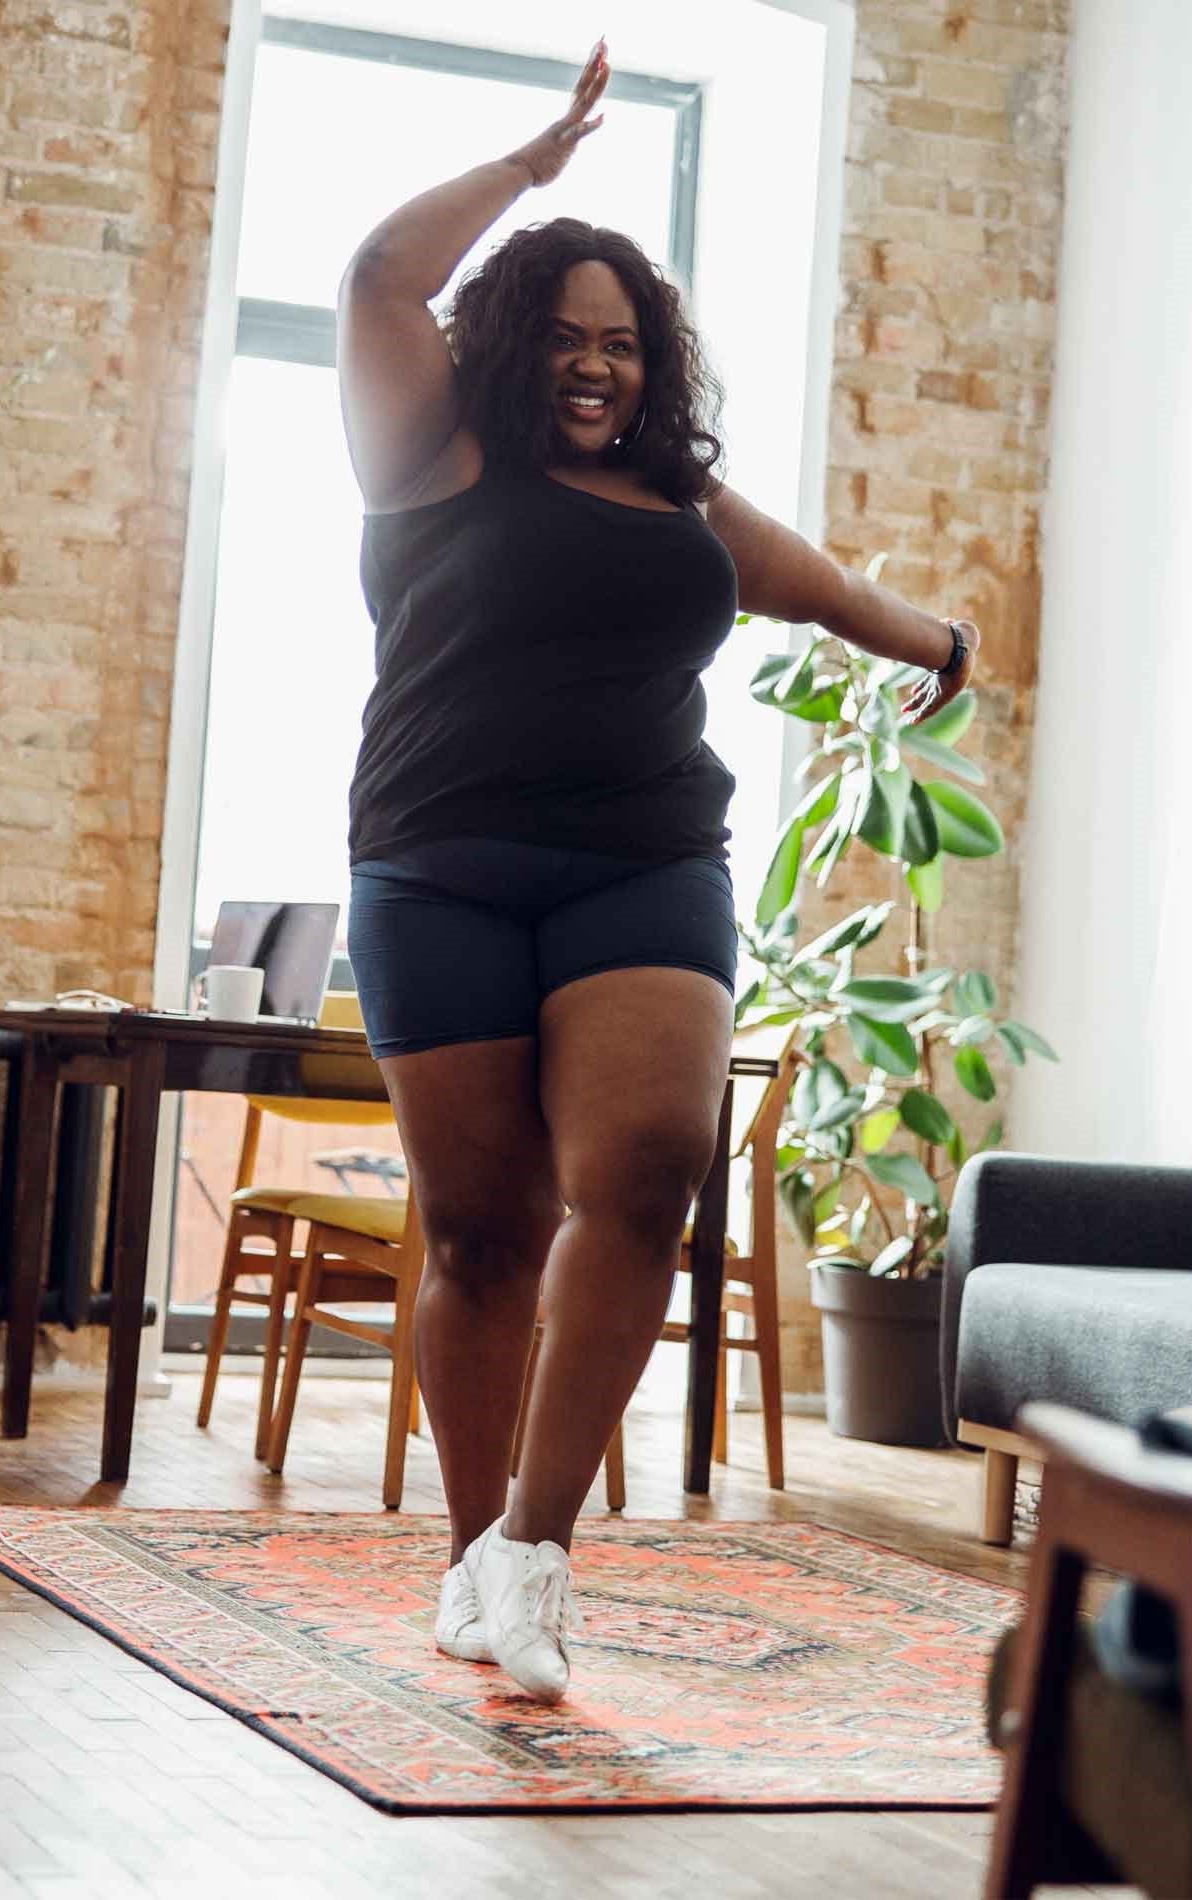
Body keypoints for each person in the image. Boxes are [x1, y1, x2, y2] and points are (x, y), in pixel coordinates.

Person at [336, 40, 980, 1704]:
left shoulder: (679, 501)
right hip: (438, 867)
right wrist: (533, 169)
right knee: (484, 1232)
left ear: (654, 365)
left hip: (644, 863)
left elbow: (820, 587)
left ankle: (540, 1553)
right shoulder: (423, 453)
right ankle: (476, 1557)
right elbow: (377, 274)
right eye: (566, 338)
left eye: (622, 347)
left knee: (648, 1166)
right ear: (511, 342)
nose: (595, 370)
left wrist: (939, 640)